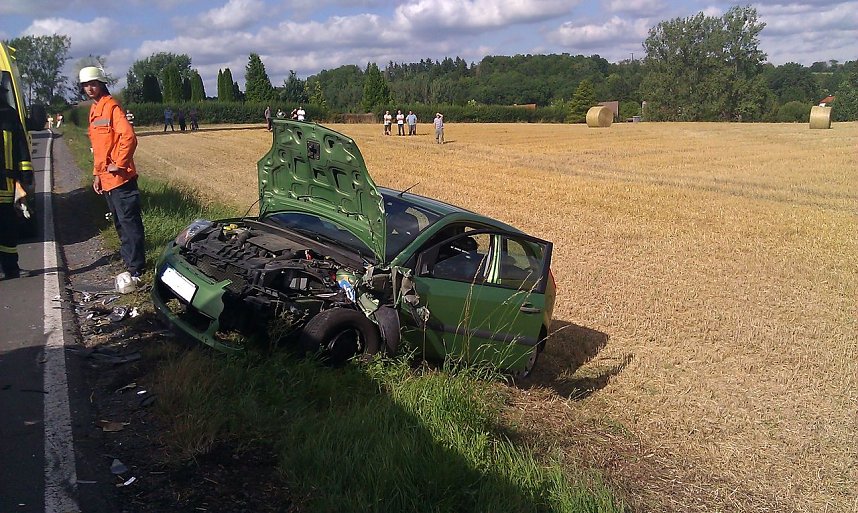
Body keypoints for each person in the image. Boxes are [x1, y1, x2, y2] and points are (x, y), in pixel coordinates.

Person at [79, 66, 146, 285]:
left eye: (93, 84)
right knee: (119, 223)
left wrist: (119, 163)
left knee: (129, 223)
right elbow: (99, 148)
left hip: (121, 179)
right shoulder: (95, 109)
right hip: (107, 180)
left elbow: (129, 137)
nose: (90, 88)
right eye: (86, 85)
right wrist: (97, 175)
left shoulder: (111, 106)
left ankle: (136, 269)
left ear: (101, 84)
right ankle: (129, 262)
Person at [0, 83, 34, 279]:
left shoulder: (10, 115)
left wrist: (25, 175)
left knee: (8, 229)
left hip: (6, 185)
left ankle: (11, 268)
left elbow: (21, 146)